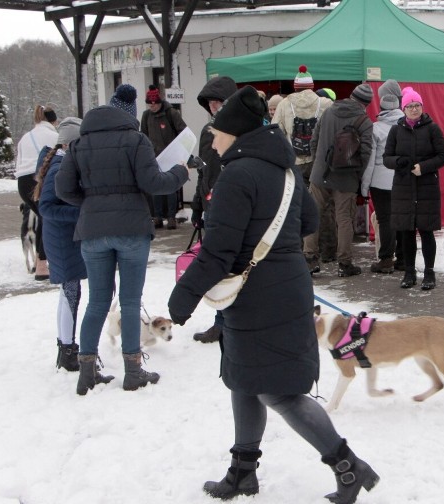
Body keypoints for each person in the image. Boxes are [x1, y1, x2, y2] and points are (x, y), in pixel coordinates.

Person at [167, 85, 379, 503]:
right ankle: (242, 473)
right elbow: (308, 221)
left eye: (217, 130)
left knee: (279, 392)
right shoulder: (281, 170)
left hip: (259, 298)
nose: (211, 136)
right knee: (243, 381)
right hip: (283, 288)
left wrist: (183, 297)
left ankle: (348, 466)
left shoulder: (236, 176)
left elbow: (218, 252)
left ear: (235, 132)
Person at [56, 84, 191, 395]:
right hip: (131, 229)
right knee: (129, 302)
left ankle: (87, 371)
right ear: (129, 115)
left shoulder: (79, 144)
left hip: (92, 231)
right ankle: (133, 371)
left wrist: (91, 203)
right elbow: (154, 183)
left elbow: (63, 189)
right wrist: (181, 173)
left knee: (98, 302)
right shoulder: (136, 140)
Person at [304, 83, 374, 277]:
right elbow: (366, 152)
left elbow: (314, 140)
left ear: (351, 95)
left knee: (313, 215)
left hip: (320, 174)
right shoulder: (365, 121)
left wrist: (319, 163)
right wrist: (357, 175)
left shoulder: (328, 111)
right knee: (344, 219)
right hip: (346, 178)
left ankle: (310, 259)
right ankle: (344, 263)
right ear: (366, 104)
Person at [189, 76, 239, 345]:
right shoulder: (207, 131)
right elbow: (203, 171)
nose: (213, 107)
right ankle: (221, 322)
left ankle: (230, 322)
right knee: (219, 269)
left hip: (235, 207)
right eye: (210, 103)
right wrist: (198, 206)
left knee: (234, 268)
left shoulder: (239, 130)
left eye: (218, 102)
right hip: (212, 207)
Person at [383, 86, 444, 290]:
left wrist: (425, 167)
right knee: (406, 232)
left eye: (417, 105)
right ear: (403, 109)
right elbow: (386, 158)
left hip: (426, 187)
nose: (413, 109)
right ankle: (409, 273)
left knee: (426, 231)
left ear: (422, 107)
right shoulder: (396, 130)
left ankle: (429, 273)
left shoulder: (432, 128)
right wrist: (399, 161)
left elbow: (443, 155)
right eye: (410, 106)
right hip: (403, 187)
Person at [33, 117, 86, 372]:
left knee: (70, 293)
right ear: (69, 144)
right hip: (62, 240)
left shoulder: (61, 162)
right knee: (70, 294)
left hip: (65, 238)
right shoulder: (58, 167)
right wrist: (80, 214)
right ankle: (67, 351)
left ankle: (66, 347)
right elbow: (46, 208)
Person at [273, 66, 338, 264]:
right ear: (311, 85)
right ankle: (328, 250)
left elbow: (276, 132)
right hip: (321, 163)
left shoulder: (285, 104)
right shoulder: (326, 104)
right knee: (325, 206)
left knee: (298, 207)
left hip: (295, 164)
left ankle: (304, 249)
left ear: (295, 86)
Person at [361, 79, 404, 274]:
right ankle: (403, 258)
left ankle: (386, 258)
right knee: (402, 217)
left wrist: (364, 186)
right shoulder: (407, 127)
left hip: (380, 181)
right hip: (402, 179)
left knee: (385, 219)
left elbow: (370, 161)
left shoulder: (376, 128)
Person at [15, 105, 58, 281]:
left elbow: (18, 163)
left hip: (23, 183)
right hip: (39, 179)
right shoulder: (54, 135)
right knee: (47, 218)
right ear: (53, 121)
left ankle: (42, 262)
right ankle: (42, 264)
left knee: (42, 217)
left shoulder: (25, 138)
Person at [140, 84, 188, 230]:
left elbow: (183, 131)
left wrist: (182, 151)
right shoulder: (146, 116)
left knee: (170, 188)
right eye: (150, 104)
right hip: (154, 157)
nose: (152, 107)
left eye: (154, 104)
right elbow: (144, 135)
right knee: (156, 188)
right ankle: (157, 217)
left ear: (160, 103)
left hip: (171, 155)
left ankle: (171, 217)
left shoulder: (171, 113)